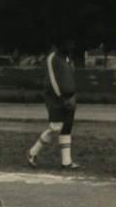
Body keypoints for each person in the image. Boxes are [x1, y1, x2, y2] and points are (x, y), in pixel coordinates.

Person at [27, 39, 80, 170]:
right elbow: (53, 81)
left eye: (72, 43)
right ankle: (32, 153)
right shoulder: (53, 58)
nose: (71, 45)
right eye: (68, 43)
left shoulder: (66, 59)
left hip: (69, 98)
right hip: (55, 98)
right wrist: (63, 99)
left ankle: (66, 162)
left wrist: (72, 96)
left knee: (66, 128)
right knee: (56, 126)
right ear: (60, 44)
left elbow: (70, 79)